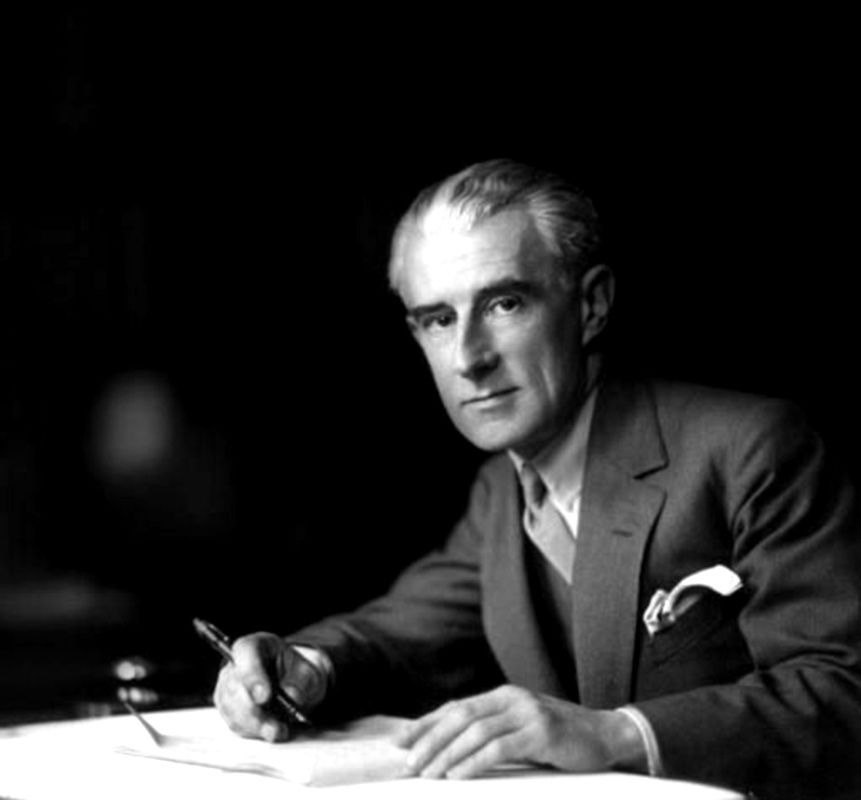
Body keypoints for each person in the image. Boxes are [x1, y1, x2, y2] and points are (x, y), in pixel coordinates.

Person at [213, 159, 861, 798]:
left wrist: (614, 733)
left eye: (504, 303)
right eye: (439, 320)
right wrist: (307, 666)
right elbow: (401, 631)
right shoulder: (500, 491)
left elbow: (842, 692)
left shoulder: (751, 447)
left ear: (591, 304)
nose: (469, 359)